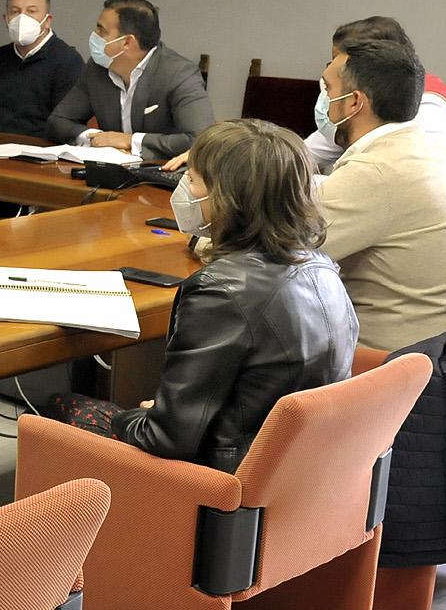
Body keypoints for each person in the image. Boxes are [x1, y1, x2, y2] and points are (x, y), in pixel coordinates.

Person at [47, 119, 357, 470]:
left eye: (192, 179)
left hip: (224, 478)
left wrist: (143, 418)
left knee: (63, 407)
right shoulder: (323, 267)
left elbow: (166, 439)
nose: (183, 188)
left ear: (227, 197)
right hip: (300, 470)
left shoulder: (221, 291)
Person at [312, 37, 446, 350]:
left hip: (393, 363)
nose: (323, 100)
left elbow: (282, 251)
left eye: (327, 89)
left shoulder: (378, 170)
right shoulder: (424, 147)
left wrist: (199, 240)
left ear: (355, 102)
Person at [47, 0, 213, 161]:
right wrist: (96, 137)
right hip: (105, 172)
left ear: (127, 42)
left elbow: (200, 142)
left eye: (101, 30)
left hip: (161, 175)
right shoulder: (96, 69)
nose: (94, 35)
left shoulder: (179, 74)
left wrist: (130, 141)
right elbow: (58, 121)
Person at [307, 17, 446, 174]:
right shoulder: (365, 106)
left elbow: (391, 175)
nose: (335, 73)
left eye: (341, 63)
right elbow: (311, 152)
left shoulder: (430, 110)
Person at [0, 0, 85, 136]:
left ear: (48, 21)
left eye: (31, 11)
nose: (22, 18)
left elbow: (66, 127)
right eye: (15, 11)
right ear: (6, 19)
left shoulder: (68, 62)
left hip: (42, 154)